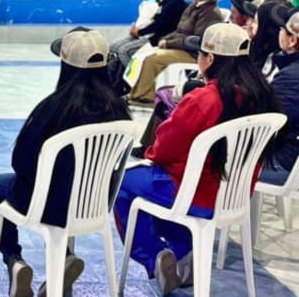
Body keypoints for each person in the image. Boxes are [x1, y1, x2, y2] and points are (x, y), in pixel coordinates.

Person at [114, 23, 279, 295]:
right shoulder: (262, 97)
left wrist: (151, 154)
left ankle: (155, 256)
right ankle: (182, 251)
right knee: (149, 195)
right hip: (235, 196)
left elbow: (163, 148)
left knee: (123, 184)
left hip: (194, 194)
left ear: (210, 58)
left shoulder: (203, 99)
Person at [0, 28, 131, 297]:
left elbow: (21, 163)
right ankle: (63, 256)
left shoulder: (52, 108)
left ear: (65, 64)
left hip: (48, 205)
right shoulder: (120, 111)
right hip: (94, 203)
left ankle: (14, 261)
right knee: (61, 186)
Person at [126, 0, 225, 106]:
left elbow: (196, 40)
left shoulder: (211, 13)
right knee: (145, 54)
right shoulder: (193, 6)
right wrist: (165, 39)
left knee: (152, 59)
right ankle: (135, 92)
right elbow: (178, 30)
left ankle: (143, 96)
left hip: (192, 53)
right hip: (180, 48)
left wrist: (169, 43)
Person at [110, 0, 188, 71]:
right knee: (114, 47)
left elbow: (159, 25)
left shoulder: (176, 2)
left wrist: (139, 32)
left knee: (125, 51)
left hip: (158, 39)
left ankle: (136, 82)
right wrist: (137, 29)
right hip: (148, 35)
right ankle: (117, 82)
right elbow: (151, 19)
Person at [259, 6, 299, 185]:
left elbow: (269, 123)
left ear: (293, 40)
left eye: (283, 29)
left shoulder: (291, 76)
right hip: (289, 155)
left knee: (217, 165)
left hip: (283, 162)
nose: (279, 32)